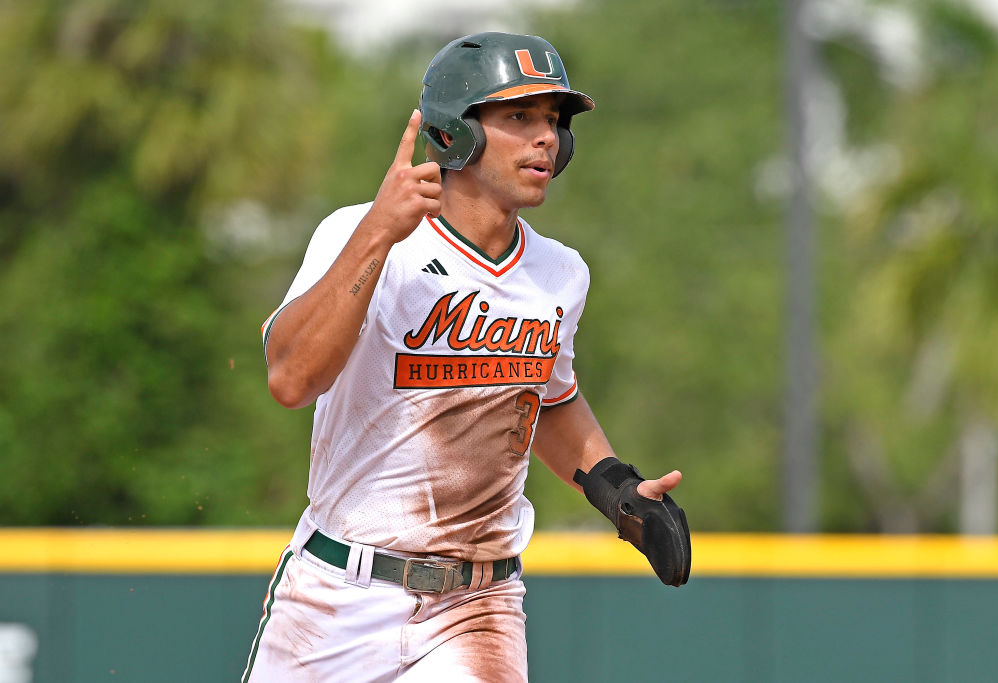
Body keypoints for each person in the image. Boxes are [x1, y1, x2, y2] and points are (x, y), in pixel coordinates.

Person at [242, 32, 690, 683]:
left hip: (476, 604)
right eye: (520, 117)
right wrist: (378, 232)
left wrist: (617, 488)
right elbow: (290, 378)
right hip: (338, 593)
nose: (547, 138)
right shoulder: (359, 231)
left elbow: (548, 399)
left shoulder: (559, 274)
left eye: (554, 122)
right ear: (456, 131)